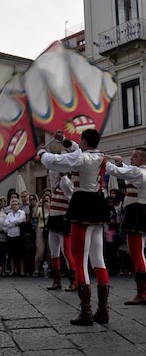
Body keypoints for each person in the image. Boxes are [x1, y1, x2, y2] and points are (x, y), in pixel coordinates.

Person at [38, 129, 110, 326]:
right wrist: (64, 140)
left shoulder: (81, 158)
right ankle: (103, 311)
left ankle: (86, 312)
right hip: (97, 205)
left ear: (85, 141)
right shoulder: (101, 157)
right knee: (98, 258)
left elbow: (54, 162)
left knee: (79, 259)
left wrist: (41, 153)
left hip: (82, 206)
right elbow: (77, 150)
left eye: (81, 140)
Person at [105, 148, 146, 305]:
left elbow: (120, 172)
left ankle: (142, 293)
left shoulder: (138, 172)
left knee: (137, 253)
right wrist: (120, 162)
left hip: (136, 212)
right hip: (141, 211)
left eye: (134, 157)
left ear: (141, 159)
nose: (131, 159)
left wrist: (100, 159)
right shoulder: (139, 172)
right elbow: (127, 170)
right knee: (139, 252)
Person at [45, 171, 77, 291]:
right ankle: (56, 280)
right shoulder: (56, 187)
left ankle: (74, 281)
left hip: (63, 222)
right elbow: (52, 174)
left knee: (67, 253)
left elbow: (67, 186)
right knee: (54, 253)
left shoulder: (69, 187)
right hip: (53, 220)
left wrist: (63, 175)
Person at [4, 199, 26, 276]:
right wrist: (13, 223)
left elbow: (19, 221)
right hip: (10, 235)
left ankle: (22, 271)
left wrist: (11, 223)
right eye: (12, 205)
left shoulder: (22, 212)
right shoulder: (9, 214)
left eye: (15, 204)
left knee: (21, 254)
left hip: (19, 236)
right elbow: (6, 223)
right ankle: (12, 270)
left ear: (18, 205)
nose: (14, 206)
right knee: (11, 254)